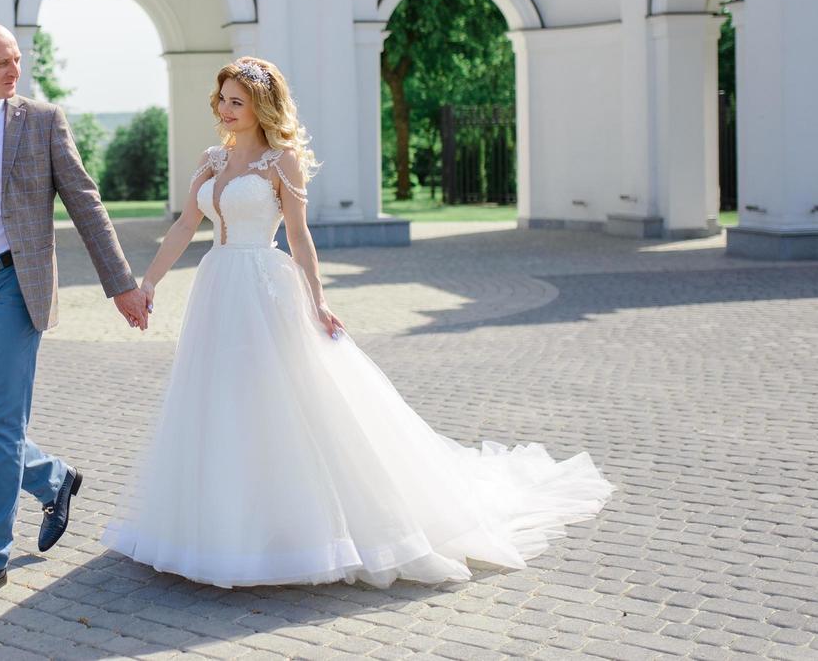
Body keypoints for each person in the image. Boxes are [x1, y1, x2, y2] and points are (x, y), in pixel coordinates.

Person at [101, 56, 614, 588]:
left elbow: (299, 237)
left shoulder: (283, 162)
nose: (227, 110)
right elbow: (187, 224)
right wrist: (149, 283)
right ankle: (220, 525)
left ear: (261, 108)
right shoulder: (211, 160)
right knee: (221, 398)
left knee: (281, 396)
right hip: (217, 287)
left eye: (238, 101)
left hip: (265, 285)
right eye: (223, 99)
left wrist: (318, 300)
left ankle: (295, 530)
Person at [0, 20, 151, 606]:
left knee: (0, 423)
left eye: (17, 60)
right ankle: (52, 478)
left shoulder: (41, 122)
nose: (15, 72)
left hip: (16, 287)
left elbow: (85, 203)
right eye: (2, 64)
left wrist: (120, 285)